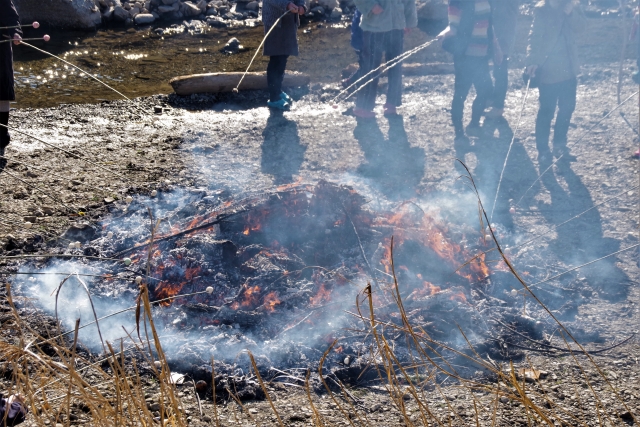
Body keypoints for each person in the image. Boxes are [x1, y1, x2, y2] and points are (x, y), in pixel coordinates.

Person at [525, 0, 586, 163]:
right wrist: (531, 60)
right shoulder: (541, 9)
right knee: (546, 111)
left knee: (567, 109)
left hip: (569, 68)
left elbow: (581, 28)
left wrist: (571, 13)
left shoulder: (572, 5)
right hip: (548, 70)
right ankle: (543, 150)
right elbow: (534, 36)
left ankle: (560, 145)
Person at [440, 0, 501, 142]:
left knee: (484, 91)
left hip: (482, 55)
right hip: (465, 56)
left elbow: (489, 25)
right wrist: (445, 33)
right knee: (461, 94)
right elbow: (453, 26)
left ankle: (474, 125)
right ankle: (459, 133)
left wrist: (497, 48)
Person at [351, 0, 417, 118]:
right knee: (370, 66)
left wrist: (409, 21)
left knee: (396, 66)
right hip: (373, 26)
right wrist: (370, 5)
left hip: (397, 25)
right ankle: (363, 106)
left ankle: (392, 103)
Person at [262, 0, 307, 111]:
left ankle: (278, 91)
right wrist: (286, 4)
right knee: (276, 59)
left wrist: (302, 6)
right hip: (275, 22)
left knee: (283, 57)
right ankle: (274, 98)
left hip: (289, 20)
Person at [486, 0, 519, 119]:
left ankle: (498, 106)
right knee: (495, 70)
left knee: (500, 71)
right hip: (496, 31)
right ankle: (493, 98)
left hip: (503, 34)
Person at [0, 0, 22, 168]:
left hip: (1, 51)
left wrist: (16, 32)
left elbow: (11, 16)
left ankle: (2, 136)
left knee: (2, 92)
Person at [341, 8, 364, 90]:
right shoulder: (363, 10)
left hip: (359, 40)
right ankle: (350, 81)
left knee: (365, 64)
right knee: (367, 65)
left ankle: (351, 81)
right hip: (361, 41)